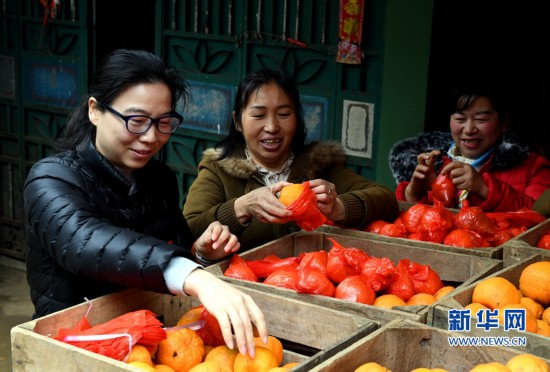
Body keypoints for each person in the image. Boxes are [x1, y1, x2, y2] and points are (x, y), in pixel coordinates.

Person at [23, 49, 267, 357]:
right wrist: (194, 276)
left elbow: (173, 251)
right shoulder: (51, 178)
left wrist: (201, 255)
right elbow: (86, 242)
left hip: (150, 343)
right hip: (78, 347)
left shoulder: (158, 177)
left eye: (164, 121)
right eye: (136, 120)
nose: (151, 137)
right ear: (95, 110)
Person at [183, 69, 399, 262]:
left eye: (284, 114)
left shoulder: (318, 164)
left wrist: (338, 207)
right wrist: (241, 207)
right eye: (258, 115)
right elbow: (188, 230)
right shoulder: (218, 169)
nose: (272, 127)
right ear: (238, 121)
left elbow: (387, 200)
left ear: (297, 119)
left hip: (315, 290)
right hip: (244, 293)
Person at [390, 77, 550, 212]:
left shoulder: (534, 169)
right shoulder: (436, 165)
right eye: (460, 119)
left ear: (504, 123)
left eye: (481, 119)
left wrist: (485, 188)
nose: (469, 129)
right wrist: (413, 195)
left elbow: (538, 220)